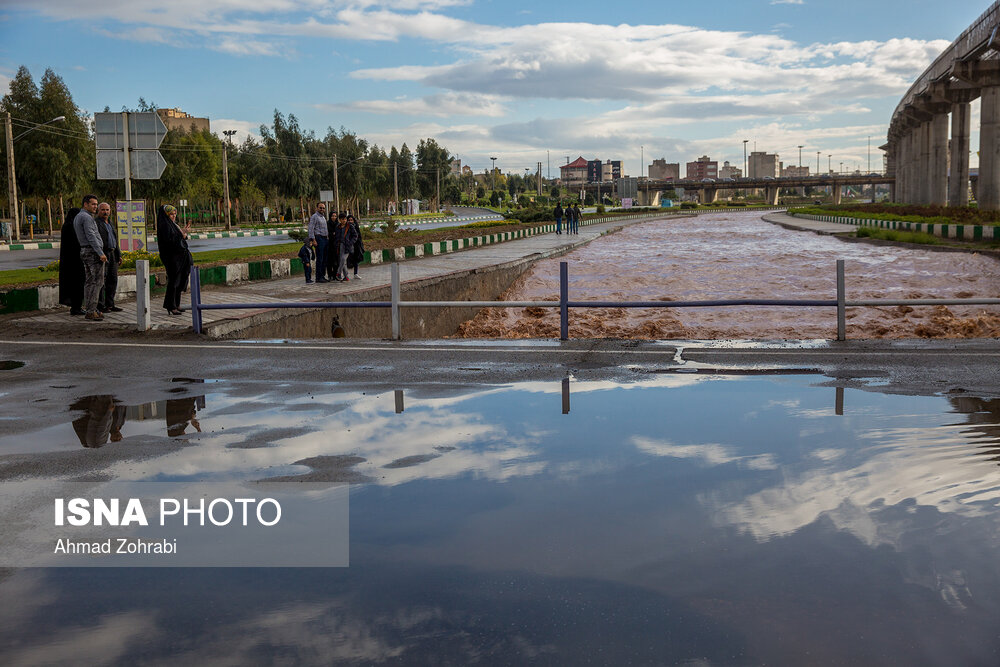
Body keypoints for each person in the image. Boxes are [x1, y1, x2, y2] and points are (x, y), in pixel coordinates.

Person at [74, 194, 107, 321]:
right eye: (93, 204)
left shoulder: (79, 216)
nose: (95, 207)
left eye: (96, 204)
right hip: (92, 252)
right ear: (85, 204)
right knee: (97, 282)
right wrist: (100, 253)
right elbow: (91, 236)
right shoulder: (86, 218)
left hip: (86, 250)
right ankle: (91, 310)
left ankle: (90, 309)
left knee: (89, 282)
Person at [156, 204, 193, 315]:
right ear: (166, 215)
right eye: (171, 214)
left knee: (180, 281)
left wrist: (183, 232)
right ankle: (171, 305)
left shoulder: (172, 225)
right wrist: (182, 234)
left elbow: (178, 237)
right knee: (174, 281)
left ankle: (177, 304)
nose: (173, 216)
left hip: (180, 257)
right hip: (172, 258)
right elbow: (170, 241)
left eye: (175, 214)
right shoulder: (164, 226)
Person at [96, 202, 123, 312]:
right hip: (103, 254)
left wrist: (119, 255)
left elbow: (115, 240)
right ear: (99, 211)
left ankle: (110, 304)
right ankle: (101, 305)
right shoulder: (96, 223)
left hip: (113, 254)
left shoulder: (110, 223)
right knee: (102, 280)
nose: (105, 212)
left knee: (113, 279)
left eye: (107, 210)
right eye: (103, 210)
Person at [58, 207, 85, 315]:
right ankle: (76, 307)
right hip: (75, 261)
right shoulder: (71, 226)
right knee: (77, 284)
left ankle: (76, 306)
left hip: (70, 261)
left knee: (76, 284)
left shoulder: (67, 225)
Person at [308, 203, 329, 283]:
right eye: (320, 208)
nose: (322, 209)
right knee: (320, 259)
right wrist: (313, 240)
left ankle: (322, 276)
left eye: (323, 208)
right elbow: (311, 229)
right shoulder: (314, 217)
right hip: (318, 238)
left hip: (325, 239)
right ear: (317, 208)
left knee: (324, 259)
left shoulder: (323, 217)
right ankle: (318, 277)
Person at [346, 214, 363, 280]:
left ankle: (355, 273)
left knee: (356, 259)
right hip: (348, 245)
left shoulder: (356, 226)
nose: (350, 221)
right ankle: (345, 274)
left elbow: (359, 236)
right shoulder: (345, 227)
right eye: (349, 220)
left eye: (351, 220)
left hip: (356, 245)